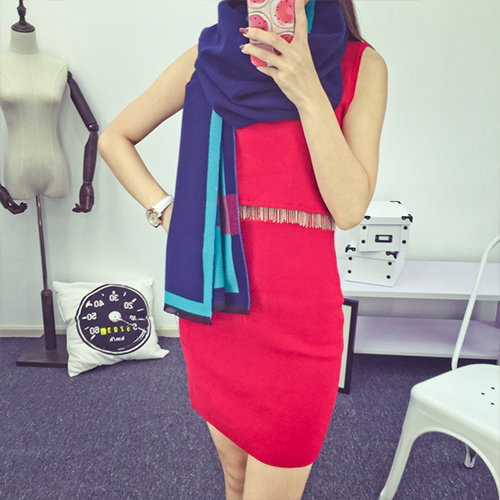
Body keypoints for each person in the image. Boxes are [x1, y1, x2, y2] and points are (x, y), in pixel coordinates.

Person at [98, 0, 387, 499]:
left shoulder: (361, 65)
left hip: (300, 326)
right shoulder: (208, 58)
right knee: (234, 478)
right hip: (218, 311)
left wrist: (308, 92)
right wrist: (167, 212)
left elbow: (349, 208)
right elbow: (114, 138)